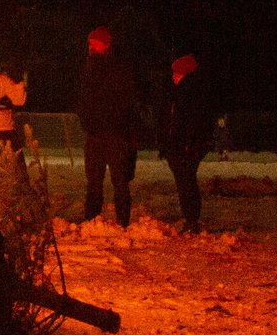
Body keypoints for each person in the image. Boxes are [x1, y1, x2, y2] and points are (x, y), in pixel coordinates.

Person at [76, 27, 143, 226]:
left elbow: (126, 101)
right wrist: (87, 120)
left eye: (94, 43)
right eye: (90, 43)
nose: (91, 47)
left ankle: (123, 221)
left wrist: (120, 125)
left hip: (115, 134)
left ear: (105, 44)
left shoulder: (119, 69)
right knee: (94, 181)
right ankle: (92, 220)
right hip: (95, 134)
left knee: (119, 181)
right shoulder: (88, 69)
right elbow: (83, 100)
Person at [159, 53, 213, 232]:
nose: (174, 75)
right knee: (185, 181)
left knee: (186, 181)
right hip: (179, 145)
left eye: (177, 73)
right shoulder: (177, 92)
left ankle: (191, 219)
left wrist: (188, 144)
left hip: (186, 146)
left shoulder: (189, 93)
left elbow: (191, 122)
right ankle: (190, 218)